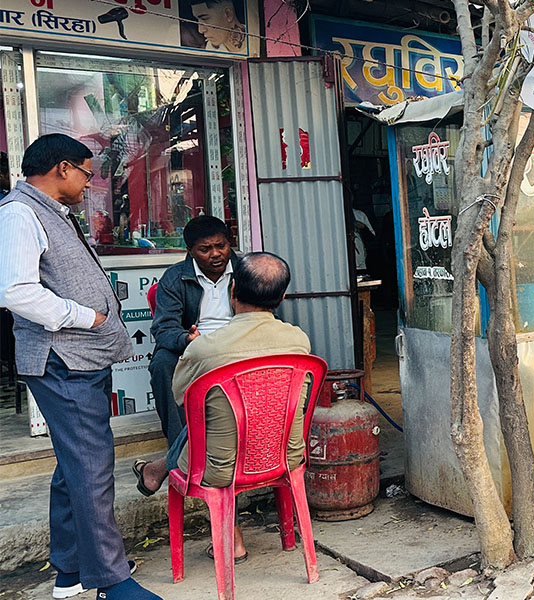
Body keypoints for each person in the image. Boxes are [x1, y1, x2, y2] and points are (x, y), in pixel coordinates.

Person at [0, 134, 159, 599]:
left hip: (78, 358)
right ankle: (110, 580)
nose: (90, 183)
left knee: (76, 464)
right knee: (91, 468)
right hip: (61, 360)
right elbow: (15, 292)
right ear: (63, 168)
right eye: (87, 173)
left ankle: (70, 569)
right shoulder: (19, 214)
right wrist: (84, 316)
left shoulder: (49, 213)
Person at [131, 253, 310, 563]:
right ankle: (157, 468)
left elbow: (182, 400)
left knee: (201, 424)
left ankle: (158, 468)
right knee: (226, 418)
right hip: (284, 455)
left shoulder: (204, 349)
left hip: (221, 466)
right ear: (282, 297)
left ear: (232, 291)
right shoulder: (299, 341)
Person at [147, 216, 238, 447]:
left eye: (221, 246)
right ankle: (181, 451)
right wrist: (186, 339)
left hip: (239, 343)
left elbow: (266, 312)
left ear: (230, 243)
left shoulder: (246, 270)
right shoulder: (175, 277)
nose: (216, 254)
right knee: (162, 364)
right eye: (205, 249)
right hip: (194, 346)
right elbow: (163, 328)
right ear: (190, 251)